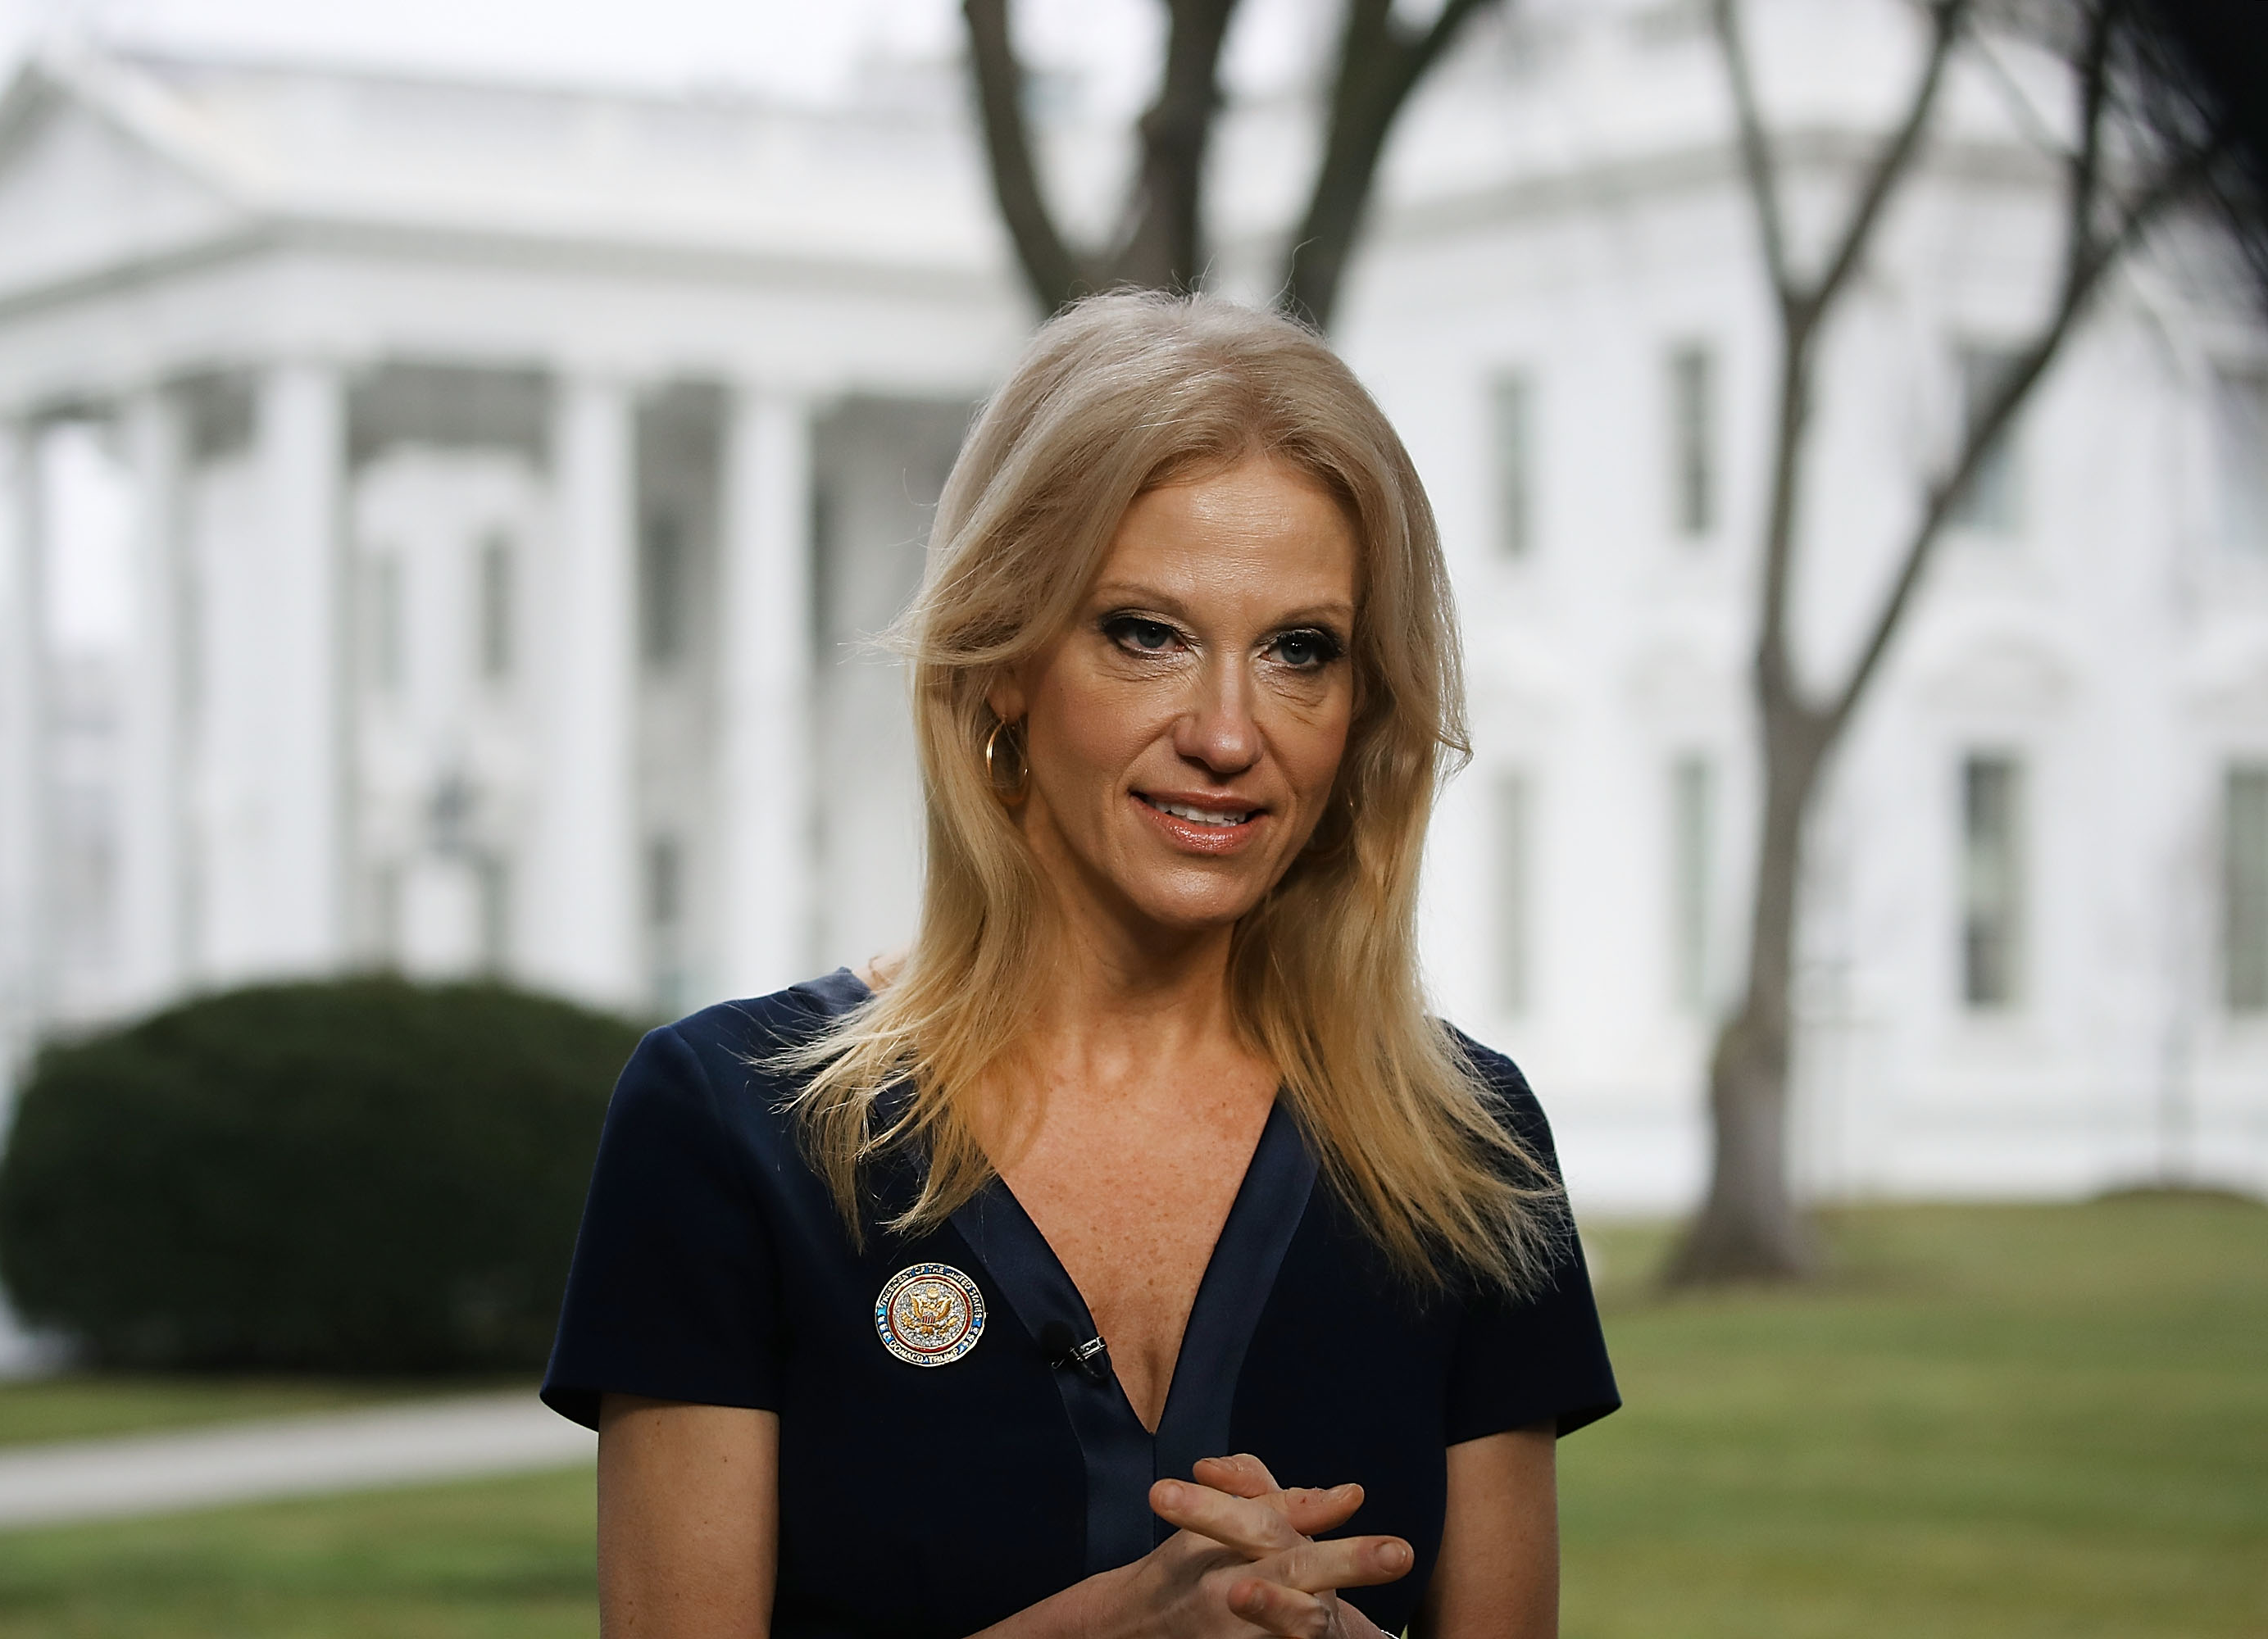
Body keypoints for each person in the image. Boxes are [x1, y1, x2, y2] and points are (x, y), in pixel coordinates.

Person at [543, 292, 1618, 1639]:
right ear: (1005, 658)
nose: (1228, 734)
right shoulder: (731, 1121)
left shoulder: (1463, 1146)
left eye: (1300, 651)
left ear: (1361, 709)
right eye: (1146, 633)